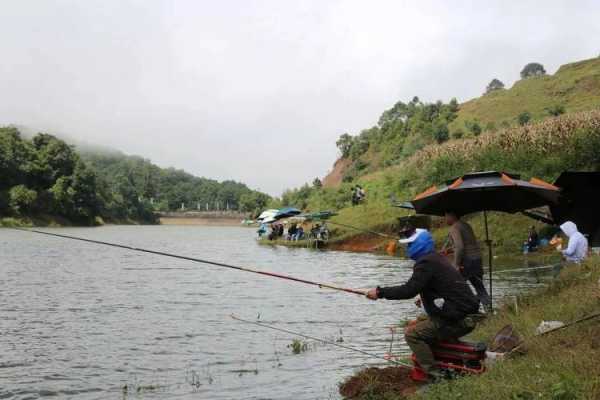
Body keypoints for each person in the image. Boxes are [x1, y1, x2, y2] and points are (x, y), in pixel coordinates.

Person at [366, 227, 480, 380]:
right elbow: (441, 284)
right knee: (423, 327)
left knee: (413, 335)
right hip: (466, 315)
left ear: (419, 244)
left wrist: (380, 292)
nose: (408, 248)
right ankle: (457, 362)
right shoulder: (436, 258)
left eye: (410, 245)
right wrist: (426, 296)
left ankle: (435, 375)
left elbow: (408, 290)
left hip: (458, 318)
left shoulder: (426, 263)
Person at [444, 211, 491, 312]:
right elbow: (468, 244)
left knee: (456, 288)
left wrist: (456, 264)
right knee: (480, 288)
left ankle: (459, 312)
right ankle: (489, 312)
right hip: (477, 259)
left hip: (467, 262)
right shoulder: (466, 225)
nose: (445, 219)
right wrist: (450, 250)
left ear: (452, 216)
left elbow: (460, 247)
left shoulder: (454, 228)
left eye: (446, 216)